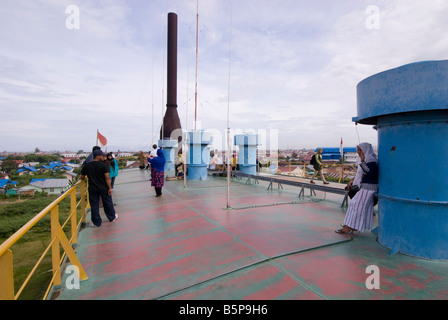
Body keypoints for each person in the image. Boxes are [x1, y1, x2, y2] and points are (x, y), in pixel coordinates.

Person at [336, 142, 378, 235]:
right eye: (358, 150)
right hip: (365, 187)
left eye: (360, 150)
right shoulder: (368, 160)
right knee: (355, 205)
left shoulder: (371, 160)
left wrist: (363, 162)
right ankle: (351, 225)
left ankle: (349, 226)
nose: (358, 152)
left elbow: (371, 173)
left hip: (369, 188)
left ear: (365, 150)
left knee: (356, 205)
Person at [80, 150, 117, 227]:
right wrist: (110, 188)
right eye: (102, 155)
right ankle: (111, 217)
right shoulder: (103, 165)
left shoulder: (87, 166)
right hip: (103, 188)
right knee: (107, 202)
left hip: (92, 188)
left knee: (94, 205)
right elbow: (107, 178)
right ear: (97, 156)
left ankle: (97, 223)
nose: (104, 157)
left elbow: (82, 177)